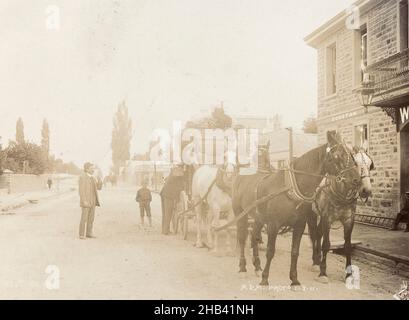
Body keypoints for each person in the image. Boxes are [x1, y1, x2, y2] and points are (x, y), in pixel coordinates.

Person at [78, 162, 101, 240]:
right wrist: (84, 200)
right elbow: (81, 191)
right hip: (86, 201)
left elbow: (99, 188)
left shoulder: (93, 178)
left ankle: (89, 233)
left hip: (93, 201)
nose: (93, 170)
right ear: (87, 169)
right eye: (91, 168)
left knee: (91, 218)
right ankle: (81, 234)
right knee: (84, 218)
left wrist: (99, 179)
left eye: (93, 168)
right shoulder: (82, 177)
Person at [160, 166, 185, 235]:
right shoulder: (176, 175)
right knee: (168, 213)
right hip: (168, 195)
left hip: (165, 193)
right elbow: (179, 189)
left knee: (166, 213)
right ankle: (165, 231)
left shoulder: (173, 174)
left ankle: (165, 230)